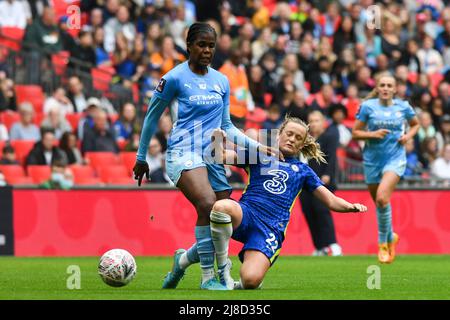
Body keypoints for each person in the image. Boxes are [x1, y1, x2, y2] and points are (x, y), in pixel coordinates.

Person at [133, 22, 275, 290]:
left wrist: (257, 147)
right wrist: (141, 156)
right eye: (201, 45)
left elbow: (227, 126)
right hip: (182, 151)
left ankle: (183, 261)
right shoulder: (174, 78)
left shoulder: (221, 81)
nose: (207, 50)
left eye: (211, 45)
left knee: (222, 220)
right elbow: (152, 117)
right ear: (189, 46)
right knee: (209, 204)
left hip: (212, 155)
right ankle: (212, 276)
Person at [184, 118, 365, 290]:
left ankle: (203, 265)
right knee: (222, 206)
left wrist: (350, 206)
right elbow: (220, 156)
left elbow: (331, 200)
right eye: (289, 133)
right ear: (279, 134)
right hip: (246, 214)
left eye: (298, 138)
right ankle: (223, 270)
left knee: (250, 281)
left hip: (270, 229)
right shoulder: (259, 155)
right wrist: (217, 140)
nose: (292, 139)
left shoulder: (303, 171)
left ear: (302, 145)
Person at [352, 73, 420, 264]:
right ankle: (391, 236)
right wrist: (373, 134)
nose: (386, 88)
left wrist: (408, 137)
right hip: (372, 160)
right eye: (382, 85)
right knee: (380, 204)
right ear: (377, 87)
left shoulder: (403, 107)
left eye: (389, 85)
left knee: (382, 198)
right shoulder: (368, 107)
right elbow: (355, 133)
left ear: (395, 89)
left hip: (395, 159)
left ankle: (383, 244)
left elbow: (415, 125)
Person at [300, 110, 342, 256]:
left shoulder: (329, 136)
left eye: (316, 120)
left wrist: (327, 174)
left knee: (322, 210)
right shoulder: (305, 139)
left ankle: (333, 244)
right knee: (308, 211)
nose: (313, 124)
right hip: (304, 182)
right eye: (310, 120)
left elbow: (332, 158)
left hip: (322, 181)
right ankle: (319, 247)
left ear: (323, 122)